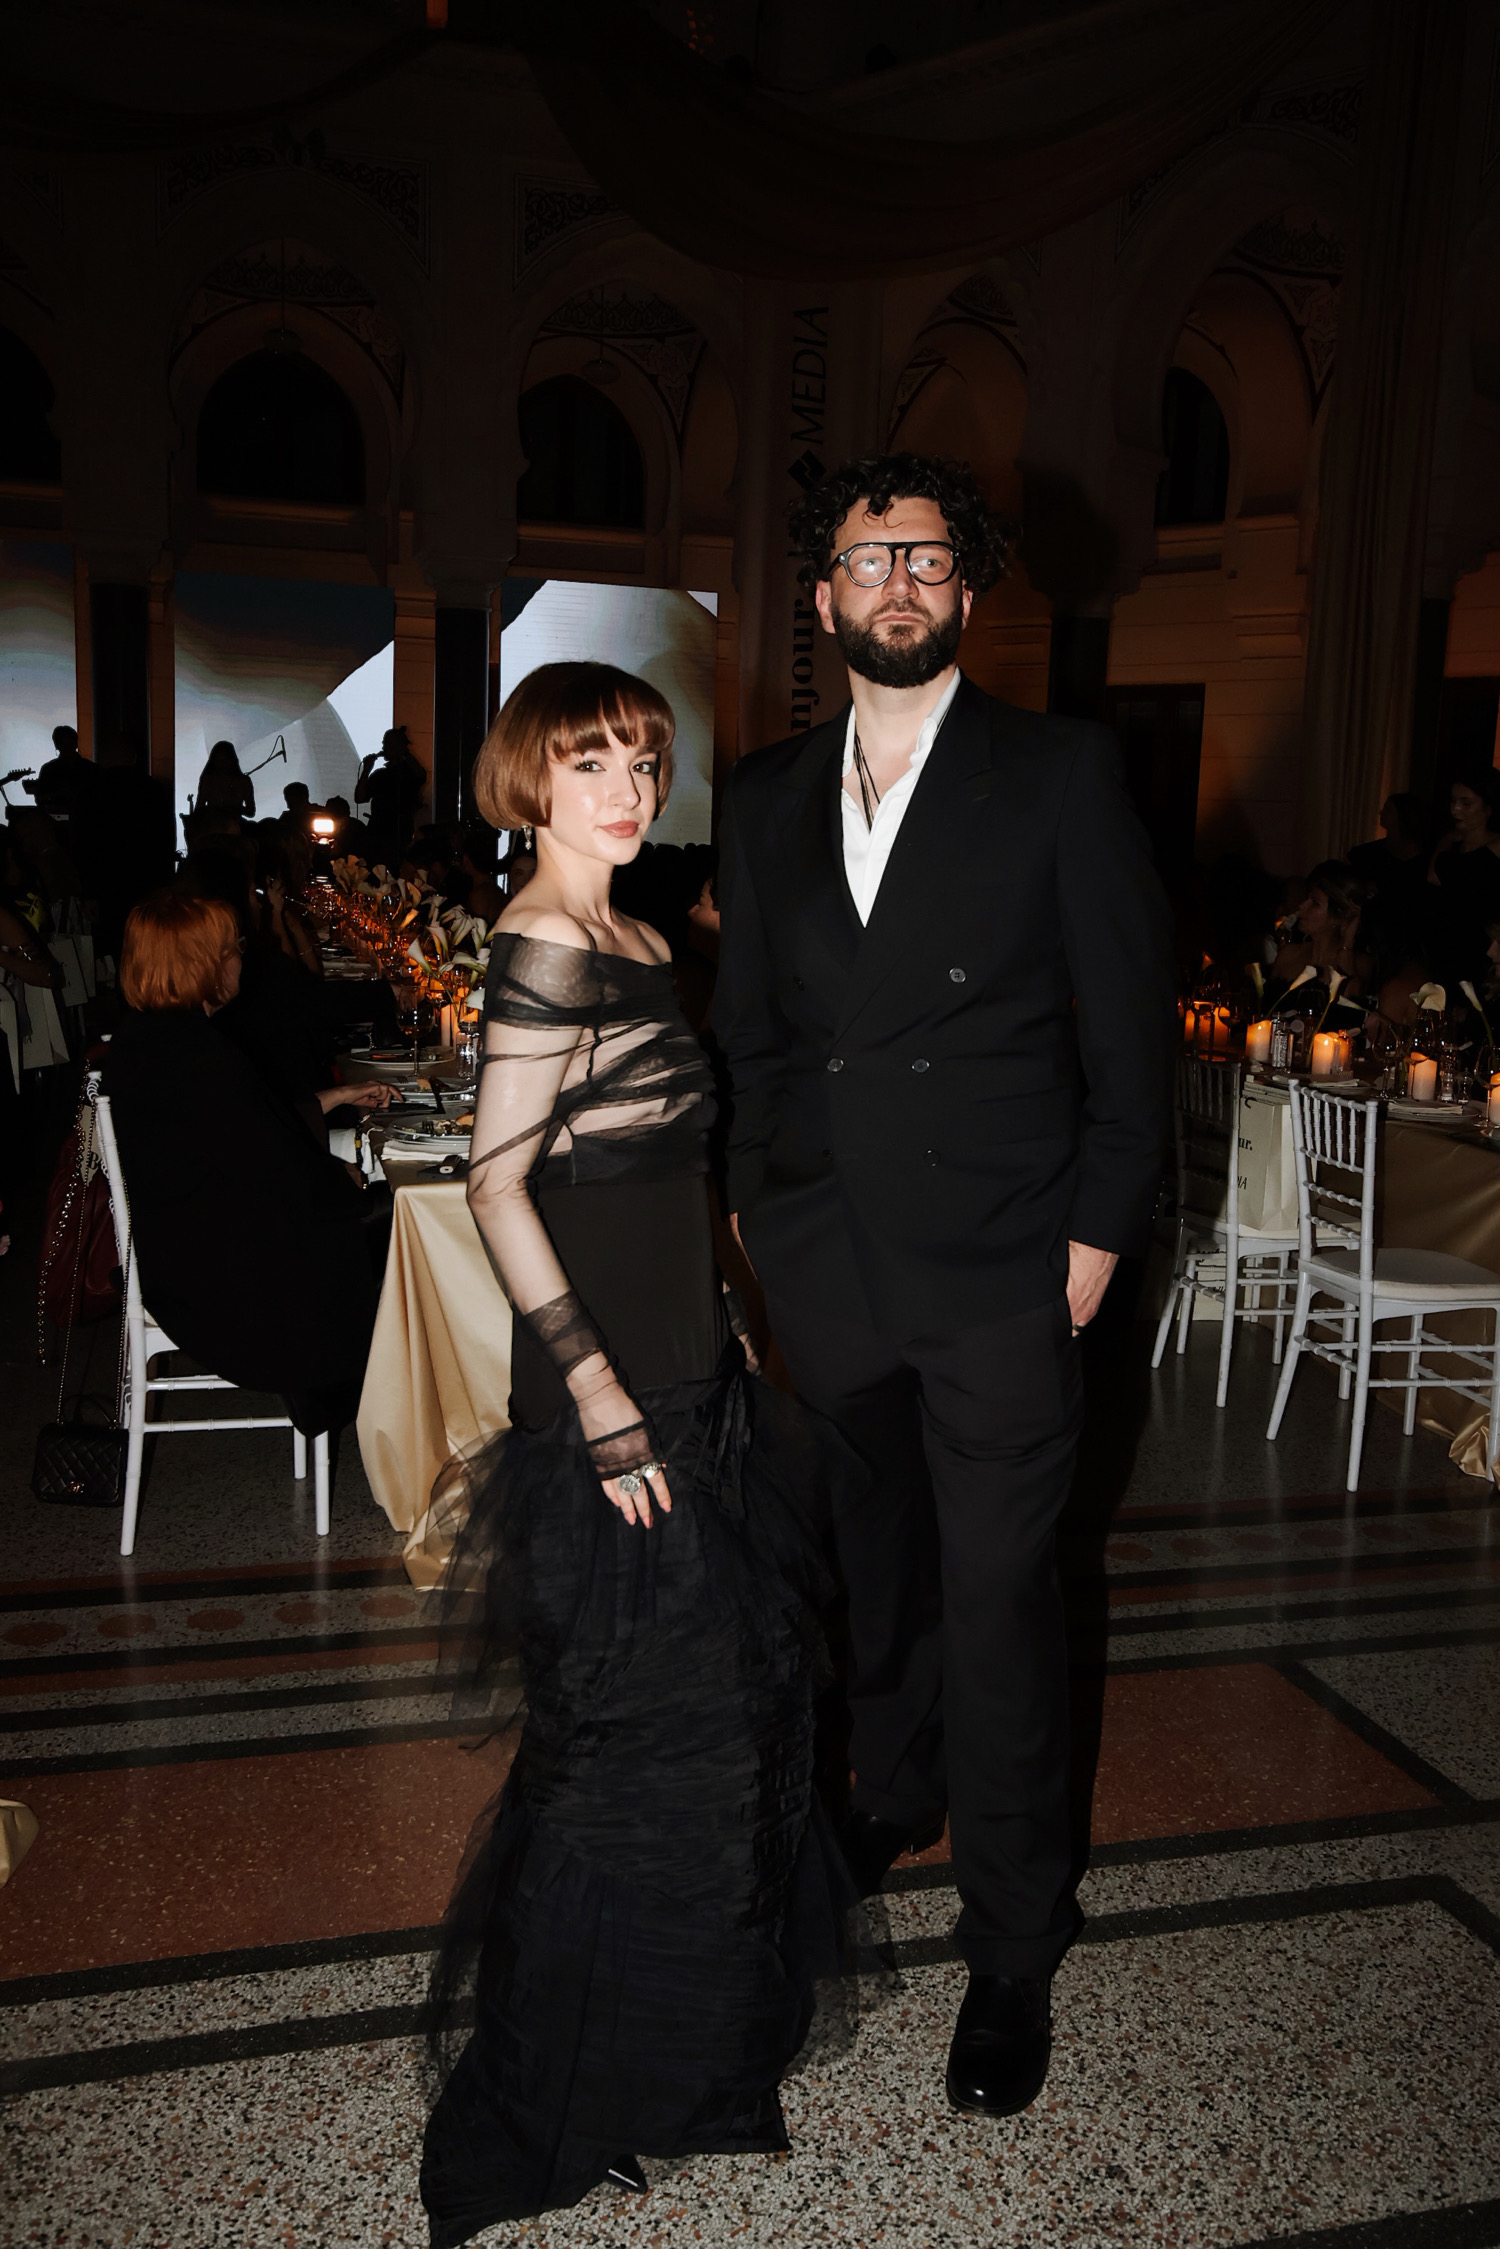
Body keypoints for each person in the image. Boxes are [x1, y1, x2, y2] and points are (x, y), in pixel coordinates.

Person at [713, 452, 1176, 2121]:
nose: (896, 582)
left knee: (998, 1603)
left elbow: (1131, 1028)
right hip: (830, 1262)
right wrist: (757, 1209)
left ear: (967, 589)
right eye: (867, 558)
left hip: (1002, 1267)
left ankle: (1014, 1941)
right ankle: (894, 1786)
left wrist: (1096, 1239)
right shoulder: (764, 793)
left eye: (924, 557)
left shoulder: (1055, 773)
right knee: (879, 1572)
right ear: (824, 595)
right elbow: (753, 1030)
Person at [419, 661, 849, 2244]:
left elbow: (673, 1181)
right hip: (610, 1402)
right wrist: (600, 1394)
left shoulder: (649, 942)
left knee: (717, 1736)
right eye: (590, 761)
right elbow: (496, 1183)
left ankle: (667, 2063)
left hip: (693, 1385)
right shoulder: (543, 940)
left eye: (643, 760)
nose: (626, 788)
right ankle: (553, 2103)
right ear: (529, 778)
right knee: (613, 1755)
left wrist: (728, 1332)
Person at [103, 891, 378, 1436]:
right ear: (203, 963)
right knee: (405, 1229)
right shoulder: (200, 1056)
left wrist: (332, 1102)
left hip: (181, 1252)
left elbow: (243, 1137)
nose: (240, 961)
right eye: (233, 950)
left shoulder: (148, 1040)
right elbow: (275, 1175)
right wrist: (342, 1178)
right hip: (228, 1290)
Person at [1427, 769, 1500, 991]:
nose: (1455, 809)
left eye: (1466, 803)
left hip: (1482, 952)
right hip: (1444, 951)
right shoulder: (1452, 847)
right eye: (1453, 801)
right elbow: (1433, 877)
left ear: (1488, 807)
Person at [356, 725, 427, 858]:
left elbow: (421, 775)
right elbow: (359, 798)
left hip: (399, 832)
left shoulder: (409, 773)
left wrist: (405, 753)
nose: (383, 747)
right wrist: (366, 771)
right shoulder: (380, 775)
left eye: (387, 744)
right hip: (377, 831)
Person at [22, 725, 94, 824]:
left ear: (56, 745)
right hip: (85, 820)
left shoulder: (48, 769)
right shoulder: (91, 768)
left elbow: (40, 799)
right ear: (76, 743)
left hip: (56, 823)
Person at [192, 740, 256, 829]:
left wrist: (235, 809)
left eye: (225, 761)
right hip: (212, 826)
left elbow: (251, 811)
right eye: (218, 762)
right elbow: (199, 808)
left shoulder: (243, 781)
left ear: (231, 761)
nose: (222, 765)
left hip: (236, 825)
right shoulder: (208, 780)